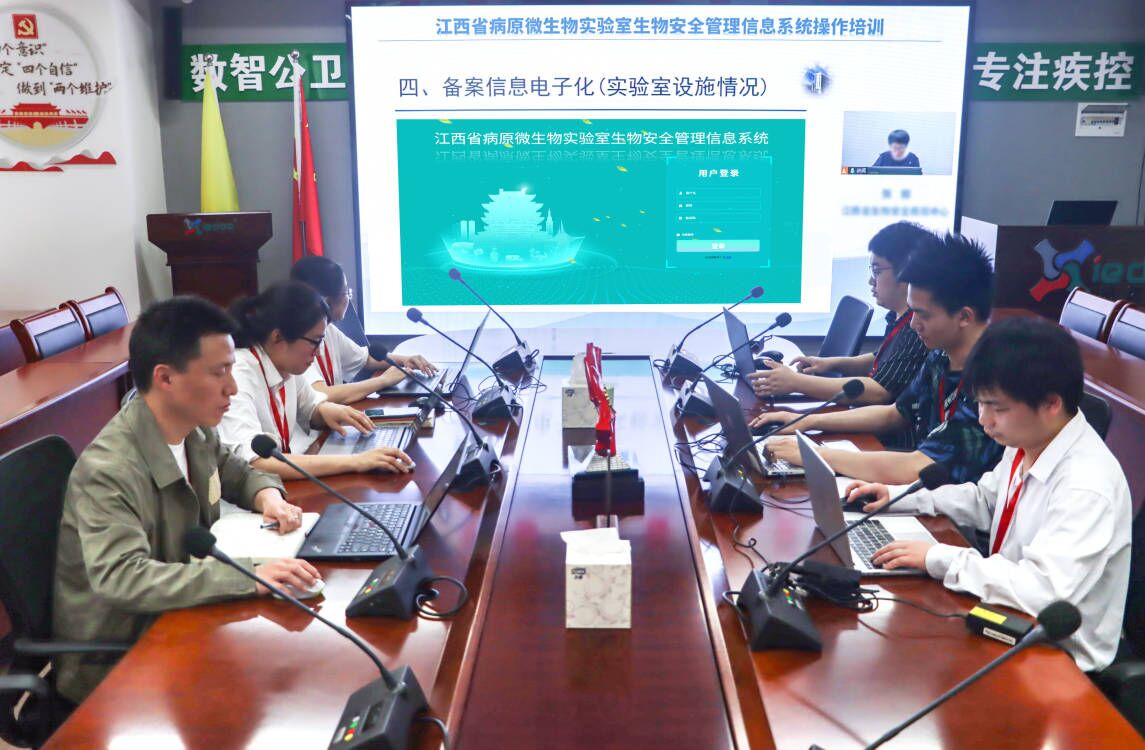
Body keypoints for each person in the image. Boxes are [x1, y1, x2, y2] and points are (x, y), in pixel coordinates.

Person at [53, 296, 321, 704]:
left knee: (291, 672)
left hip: (183, 616)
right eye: (219, 372)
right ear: (165, 378)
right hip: (121, 662)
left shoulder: (194, 429)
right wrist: (249, 577)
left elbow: (235, 471)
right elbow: (123, 577)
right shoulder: (109, 470)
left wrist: (268, 495)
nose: (233, 387)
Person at [846, 317, 1130, 673]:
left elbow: (1044, 592)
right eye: (981, 404)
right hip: (1005, 617)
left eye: (998, 408)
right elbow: (985, 500)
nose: (984, 420)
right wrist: (899, 497)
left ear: (1051, 404)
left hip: (1057, 661)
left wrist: (939, 557)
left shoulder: (1086, 485)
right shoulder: (1030, 439)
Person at [751, 233, 1002, 485]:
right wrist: (805, 422)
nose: (913, 324)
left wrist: (814, 454)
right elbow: (896, 414)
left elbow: (919, 466)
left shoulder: (994, 379)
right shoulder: (940, 356)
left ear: (964, 317)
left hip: (948, 502)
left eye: (923, 314)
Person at [218, 281, 413, 479]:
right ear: (278, 337)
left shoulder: (284, 363)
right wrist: (356, 461)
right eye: (315, 341)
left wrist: (331, 410)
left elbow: (311, 408)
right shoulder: (238, 374)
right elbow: (256, 462)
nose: (319, 352)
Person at [749, 221, 931, 405]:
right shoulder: (897, 316)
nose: (871, 281)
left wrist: (797, 382)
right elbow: (883, 358)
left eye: (877, 271)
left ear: (906, 272)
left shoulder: (917, 327)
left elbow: (879, 391)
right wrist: (829, 363)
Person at [290, 256, 437, 404]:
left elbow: (365, 359)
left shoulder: (329, 330)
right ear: (327, 302)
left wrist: (405, 360)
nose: (348, 298)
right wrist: (383, 380)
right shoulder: (297, 341)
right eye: (346, 292)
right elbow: (322, 394)